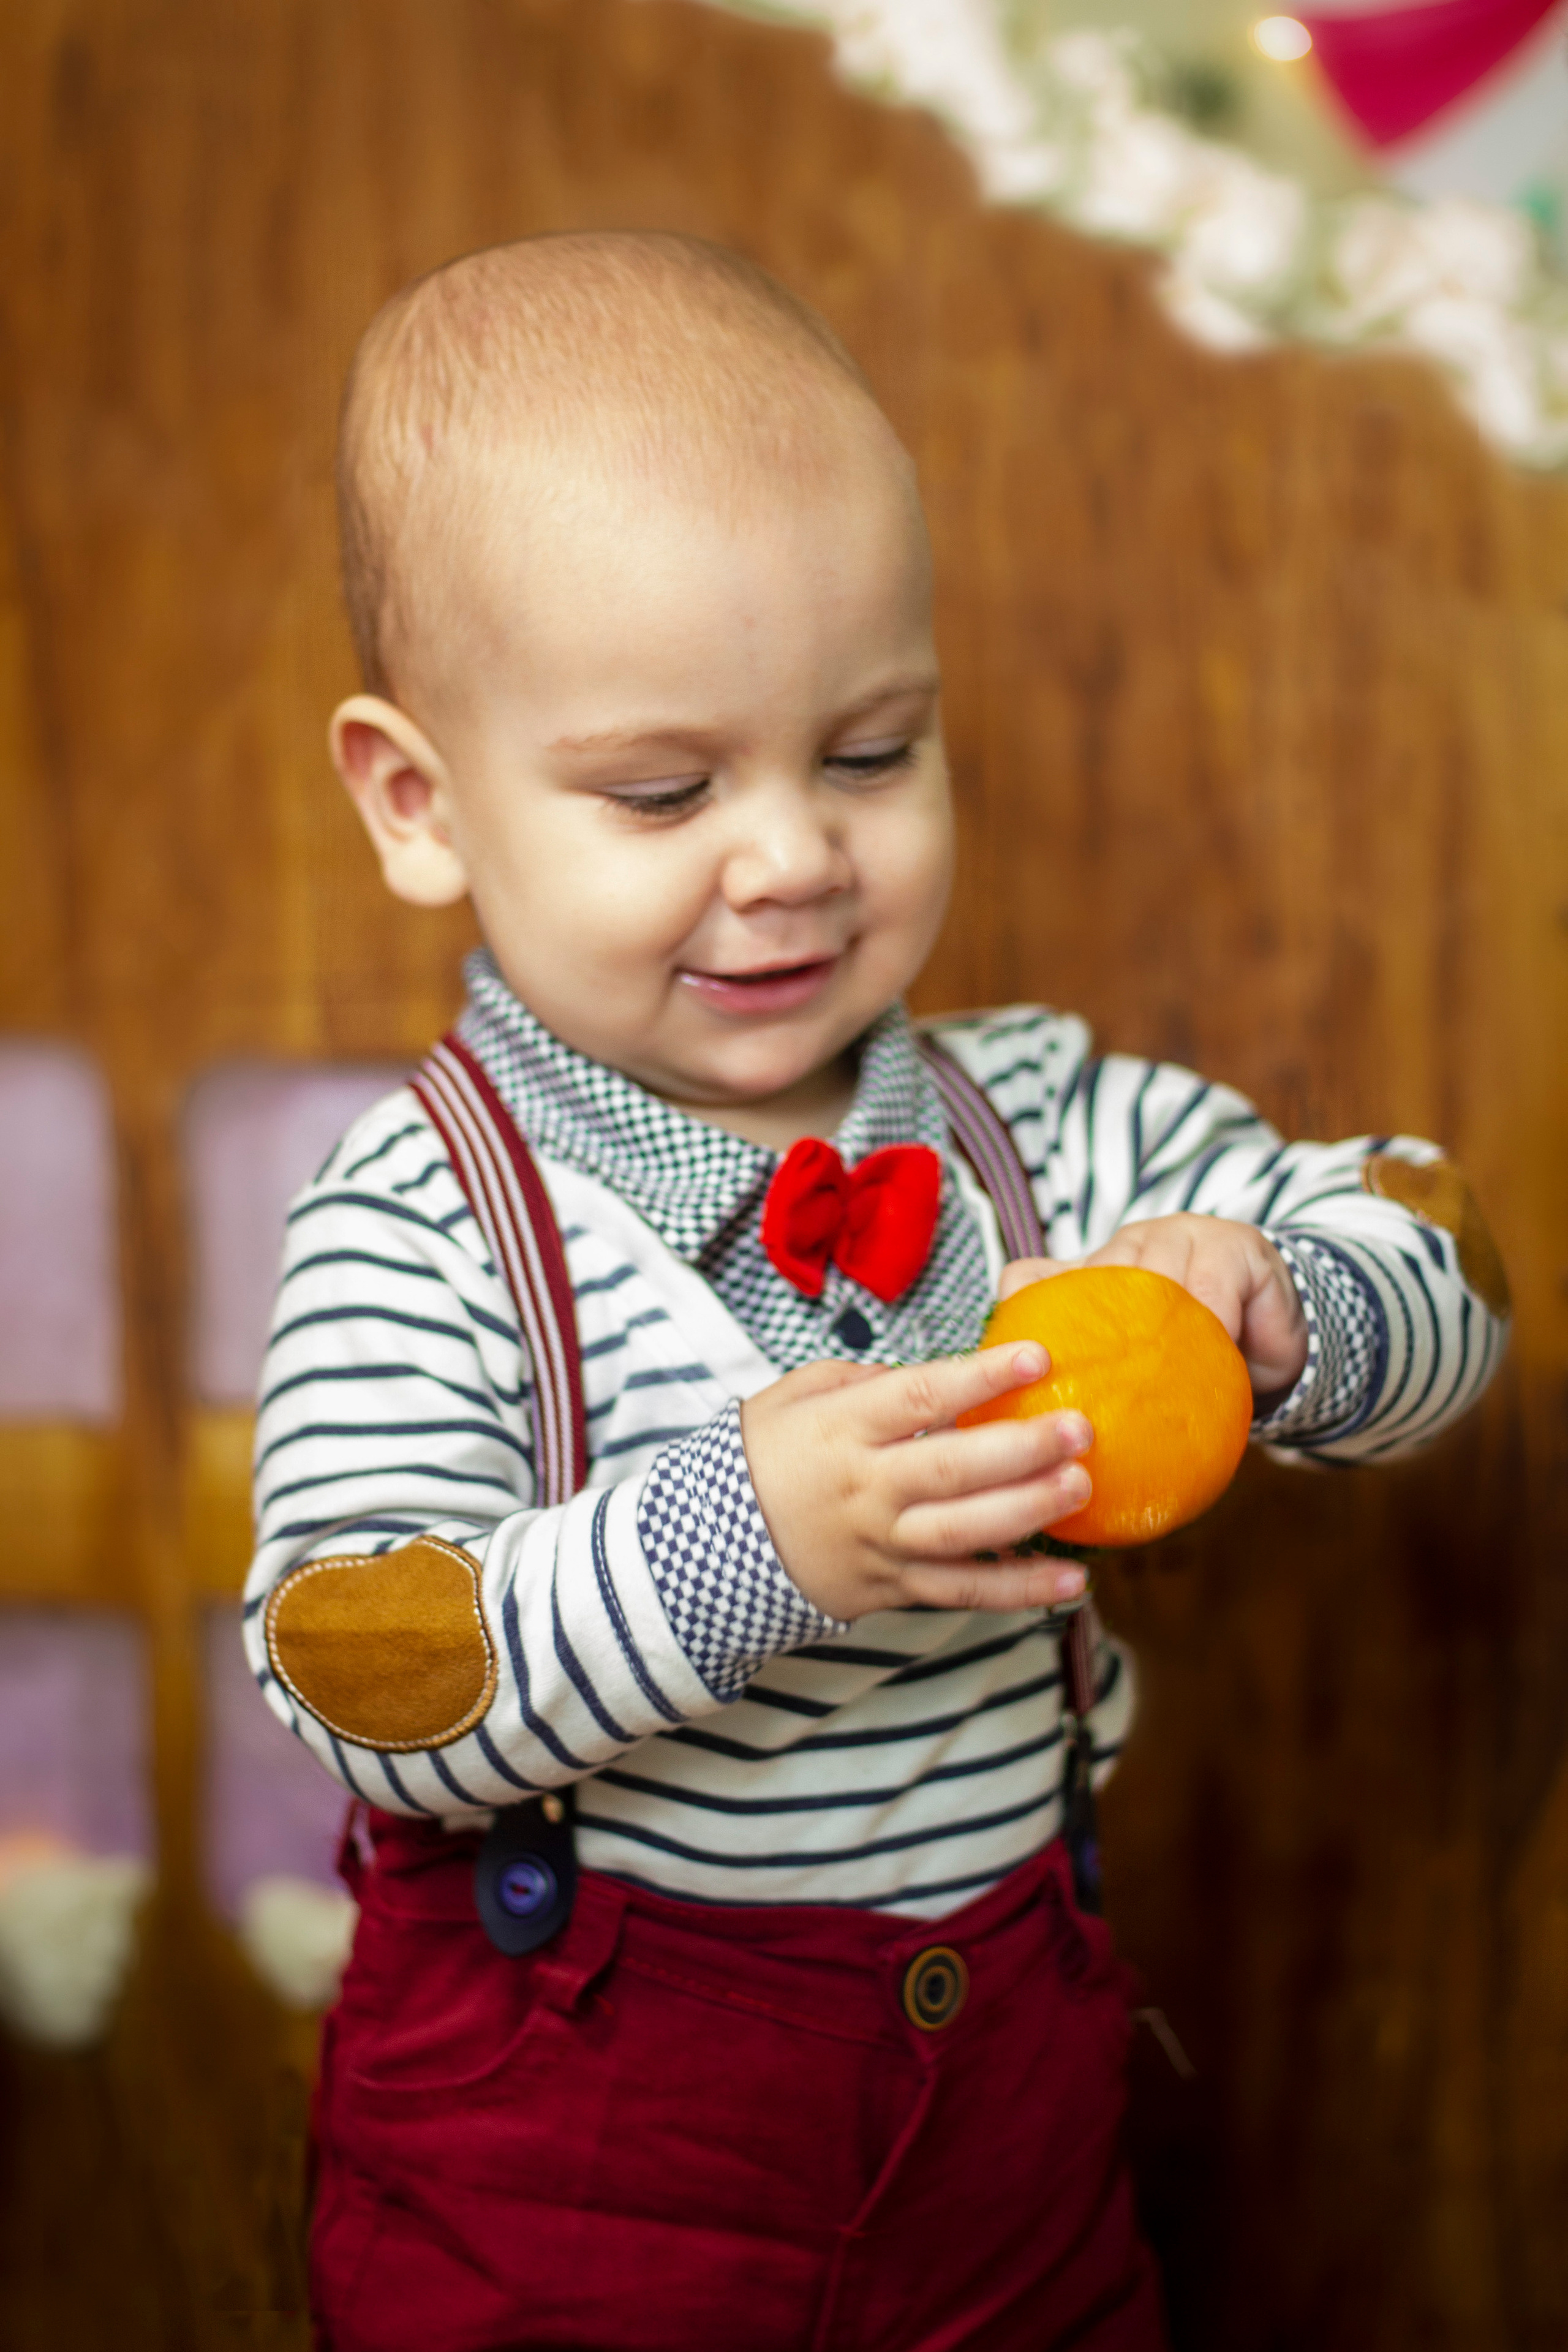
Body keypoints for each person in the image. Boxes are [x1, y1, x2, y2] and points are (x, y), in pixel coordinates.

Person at [244, 233, 1509, 2352]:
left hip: (1011, 2124)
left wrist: (1284, 1294)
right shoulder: (426, 1216)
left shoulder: (1041, 1123)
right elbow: (356, 1671)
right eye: (665, 789)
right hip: (580, 2177)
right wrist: (754, 1541)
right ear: (420, 805)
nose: (792, 857)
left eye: (868, 753)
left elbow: (1437, 1240)